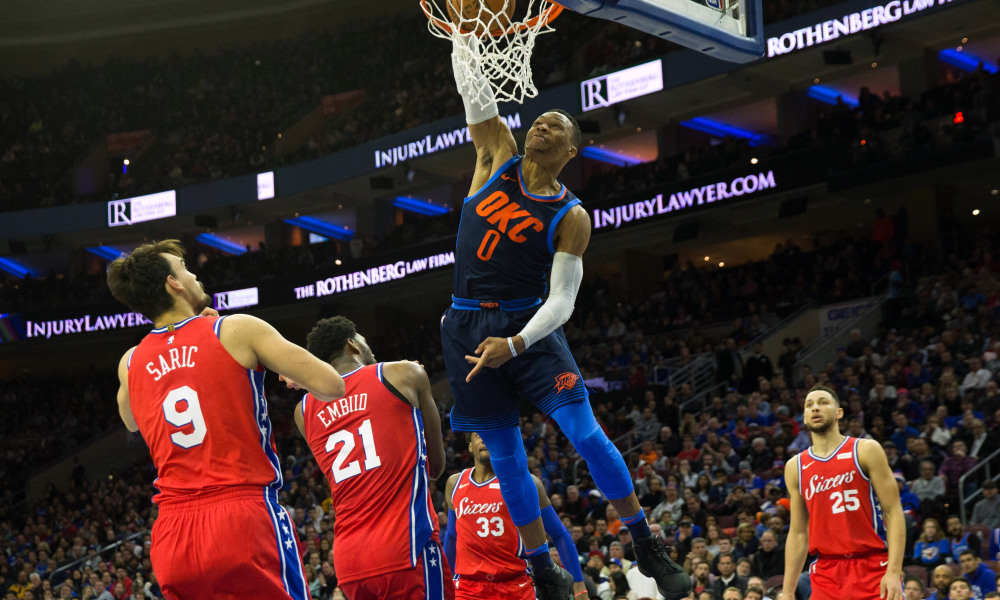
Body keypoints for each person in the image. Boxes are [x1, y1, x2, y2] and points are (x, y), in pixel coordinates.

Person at [439, 32, 689, 600]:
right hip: (465, 326)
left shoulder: (572, 215)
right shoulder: (496, 154)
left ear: (571, 149)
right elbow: (474, 94)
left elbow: (563, 303)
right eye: (538, 120)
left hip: (528, 327)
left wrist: (518, 343)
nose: (540, 127)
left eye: (554, 125)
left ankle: (645, 542)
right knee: (505, 456)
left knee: (585, 433)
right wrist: (464, 36)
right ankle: (541, 567)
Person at [107, 240, 345, 600]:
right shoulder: (234, 329)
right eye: (186, 268)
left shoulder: (131, 361)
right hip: (241, 517)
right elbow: (333, 386)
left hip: (173, 535)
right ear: (174, 284)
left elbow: (130, 421)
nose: (194, 273)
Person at [290, 316, 451, 600]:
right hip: (405, 548)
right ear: (352, 344)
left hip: (349, 561)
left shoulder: (302, 411)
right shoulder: (405, 373)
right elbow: (436, 468)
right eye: (363, 339)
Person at [781, 384, 905, 600]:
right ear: (804, 416)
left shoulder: (866, 450)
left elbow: (893, 511)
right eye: (809, 405)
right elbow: (798, 533)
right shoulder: (795, 466)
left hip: (873, 564)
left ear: (839, 413)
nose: (815, 408)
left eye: (823, 403)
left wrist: (893, 571)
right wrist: (788, 591)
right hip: (827, 571)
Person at [444, 432, 582, 599]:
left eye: (490, 433)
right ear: (470, 446)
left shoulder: (526, 483)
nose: (485, 437)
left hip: (515, 585)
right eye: (478, 434)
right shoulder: (455, 483)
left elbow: (559, 534)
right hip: (467, 587)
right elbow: (452, 537)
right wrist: (445, 584)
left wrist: (580, 587)